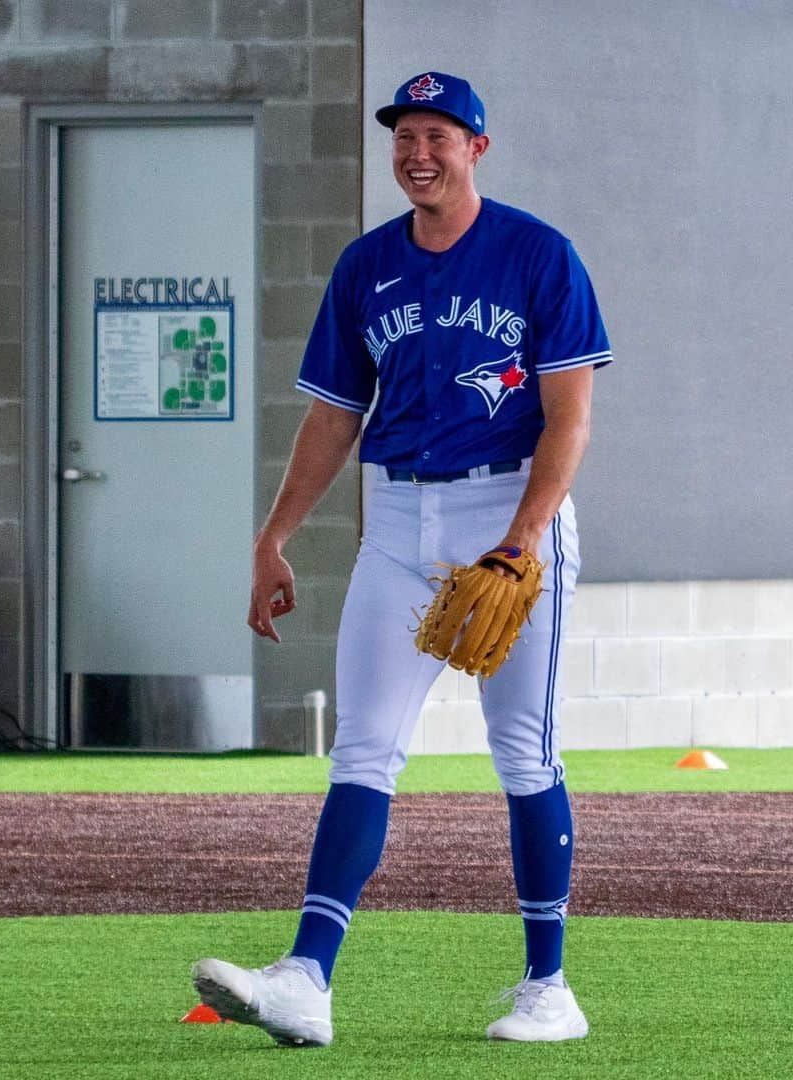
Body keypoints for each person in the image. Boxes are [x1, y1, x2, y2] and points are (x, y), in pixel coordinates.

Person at [193, 70, 613, 1047]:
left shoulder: (538, 255)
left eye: (438, 133)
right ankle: (305, 978)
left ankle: (549, 987)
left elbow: (571, 417)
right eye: (403, 135)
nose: (417, 151)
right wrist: (275, 536)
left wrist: (523, 537)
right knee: (363, 749)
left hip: (508, 511)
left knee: (522, 752)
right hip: (395, 523)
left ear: (477, 149)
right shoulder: (366, 265)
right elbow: (336, 411)